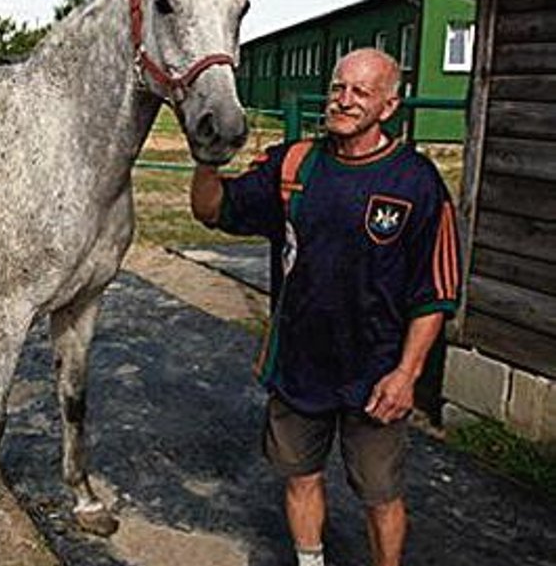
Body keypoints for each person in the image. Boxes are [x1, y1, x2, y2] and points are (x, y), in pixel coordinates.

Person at [191, 48, 461, 566]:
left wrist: (407, 374)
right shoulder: (293, 164)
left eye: (361, 92)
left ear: (388, 105)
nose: (344, 99)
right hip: (299, 368)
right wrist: (207, 157)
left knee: (380, 497)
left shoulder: (417, 182)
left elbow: (434, 293)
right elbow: (212, 210)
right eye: (339, 87)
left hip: (377, 375)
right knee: (301, 479)